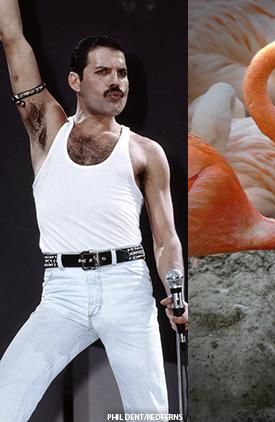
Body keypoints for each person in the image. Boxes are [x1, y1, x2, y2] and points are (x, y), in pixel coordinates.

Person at [0, 0, 187, 419]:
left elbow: (166, 238)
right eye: (102, 72)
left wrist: (175, 289)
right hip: (62, 293)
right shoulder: (46, 128)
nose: (116, 81)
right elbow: (13, 41)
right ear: (75, 81)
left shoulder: (145, 152)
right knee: (4, 401)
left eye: (122, 73)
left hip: (127, 289)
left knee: (150, 415)